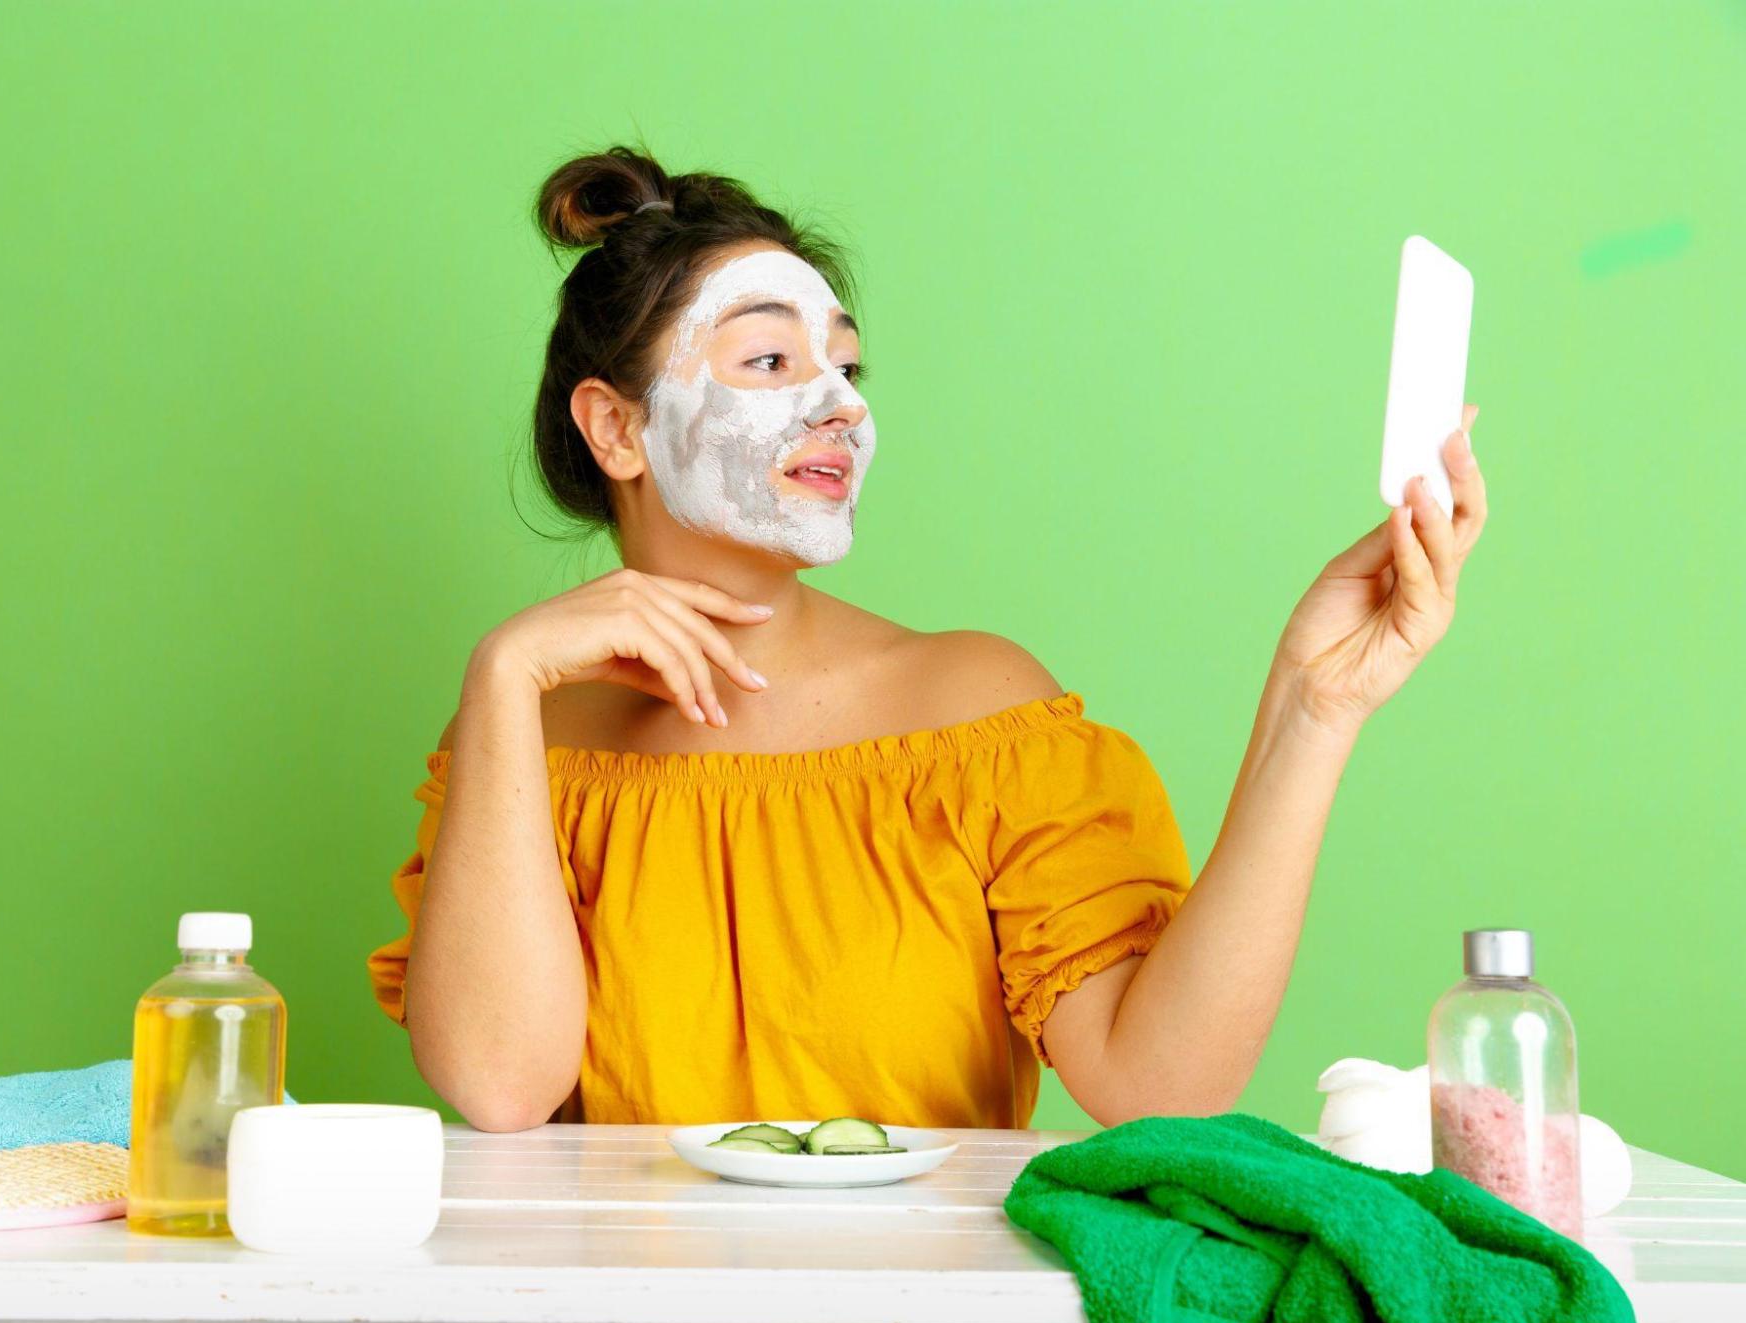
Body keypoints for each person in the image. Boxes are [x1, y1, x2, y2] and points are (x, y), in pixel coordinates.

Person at [368, 147, 1488, 1133]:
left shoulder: (973, 707)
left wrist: (1314, 706)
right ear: (617, 426)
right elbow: (502, 1088)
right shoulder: (532, 739)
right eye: (770, 363)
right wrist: (503, 675)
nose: (842, 409)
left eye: (845, 368)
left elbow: (1160, 1088)